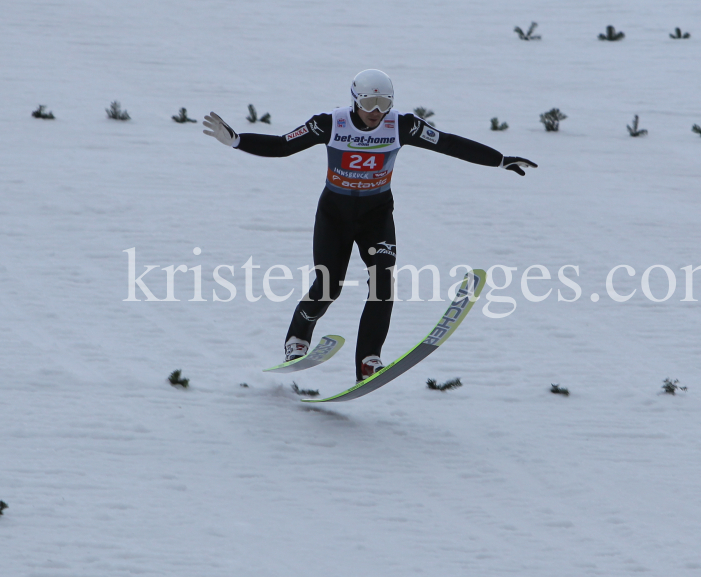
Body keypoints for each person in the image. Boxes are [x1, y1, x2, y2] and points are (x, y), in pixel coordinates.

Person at [203, 69, 537, 382]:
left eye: (384, 103)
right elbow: (281, 146)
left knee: (382, 284)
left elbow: (447, 142)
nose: (375, 111)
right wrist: (236, 140)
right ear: (354, 100)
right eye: (368, 103)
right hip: (335, 213)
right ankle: (298, 337)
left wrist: (500, 159)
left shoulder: (402, 126)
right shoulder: (329, 124)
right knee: (329, 285)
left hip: (376, 214)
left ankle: (368, 360)